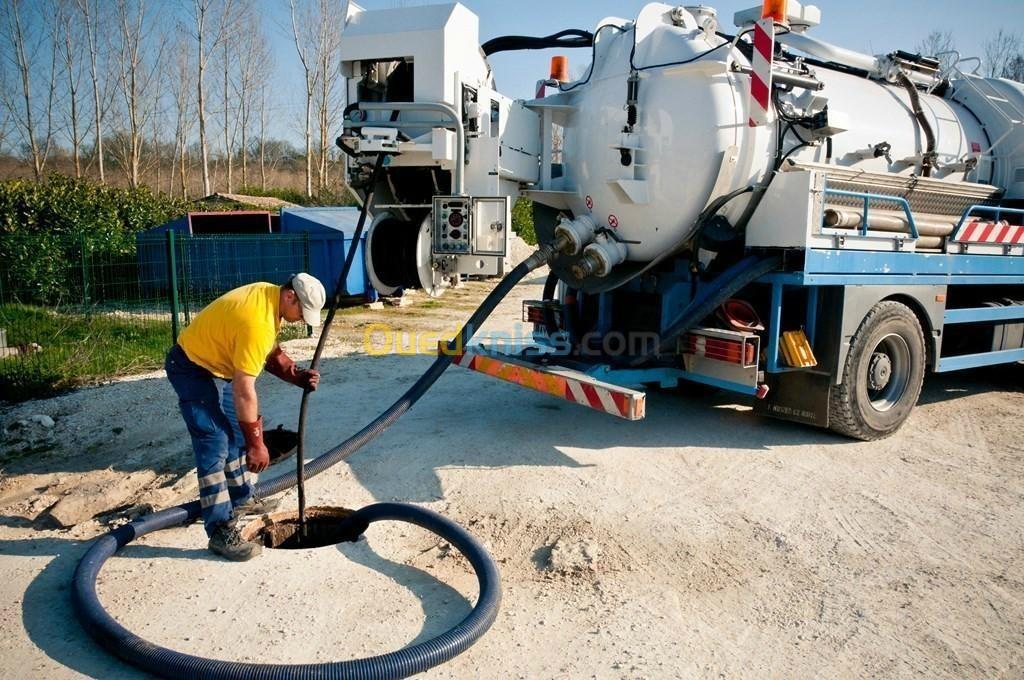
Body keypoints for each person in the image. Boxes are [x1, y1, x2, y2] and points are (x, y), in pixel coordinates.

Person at [164, 273, 326, 560]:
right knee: (215, 442)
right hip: (191, 368)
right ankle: (220, 530)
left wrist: (295, 374)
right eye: (302, 311)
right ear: (290, 296)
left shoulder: (268, 296)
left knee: (235, 434)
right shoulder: (257, 322)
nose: (302, 319)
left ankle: (240, 498)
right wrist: (257, 443)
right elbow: (244, 390)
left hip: (217, 367)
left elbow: (269, 351)